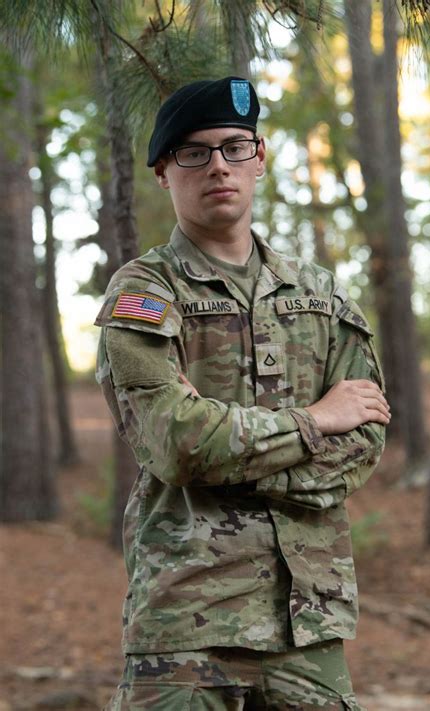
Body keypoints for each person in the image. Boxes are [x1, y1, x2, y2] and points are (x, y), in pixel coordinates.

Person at [95, 76, 390, 711]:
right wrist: (315, 422)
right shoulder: (146, 292)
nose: (218, 166)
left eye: (235, 147)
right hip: (187, 623)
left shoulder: (319, 293)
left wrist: (227, 457)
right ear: (163, 173)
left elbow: (365, 441)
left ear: (260, 159)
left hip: (308, 623)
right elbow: (176, 444)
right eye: (193, 152)